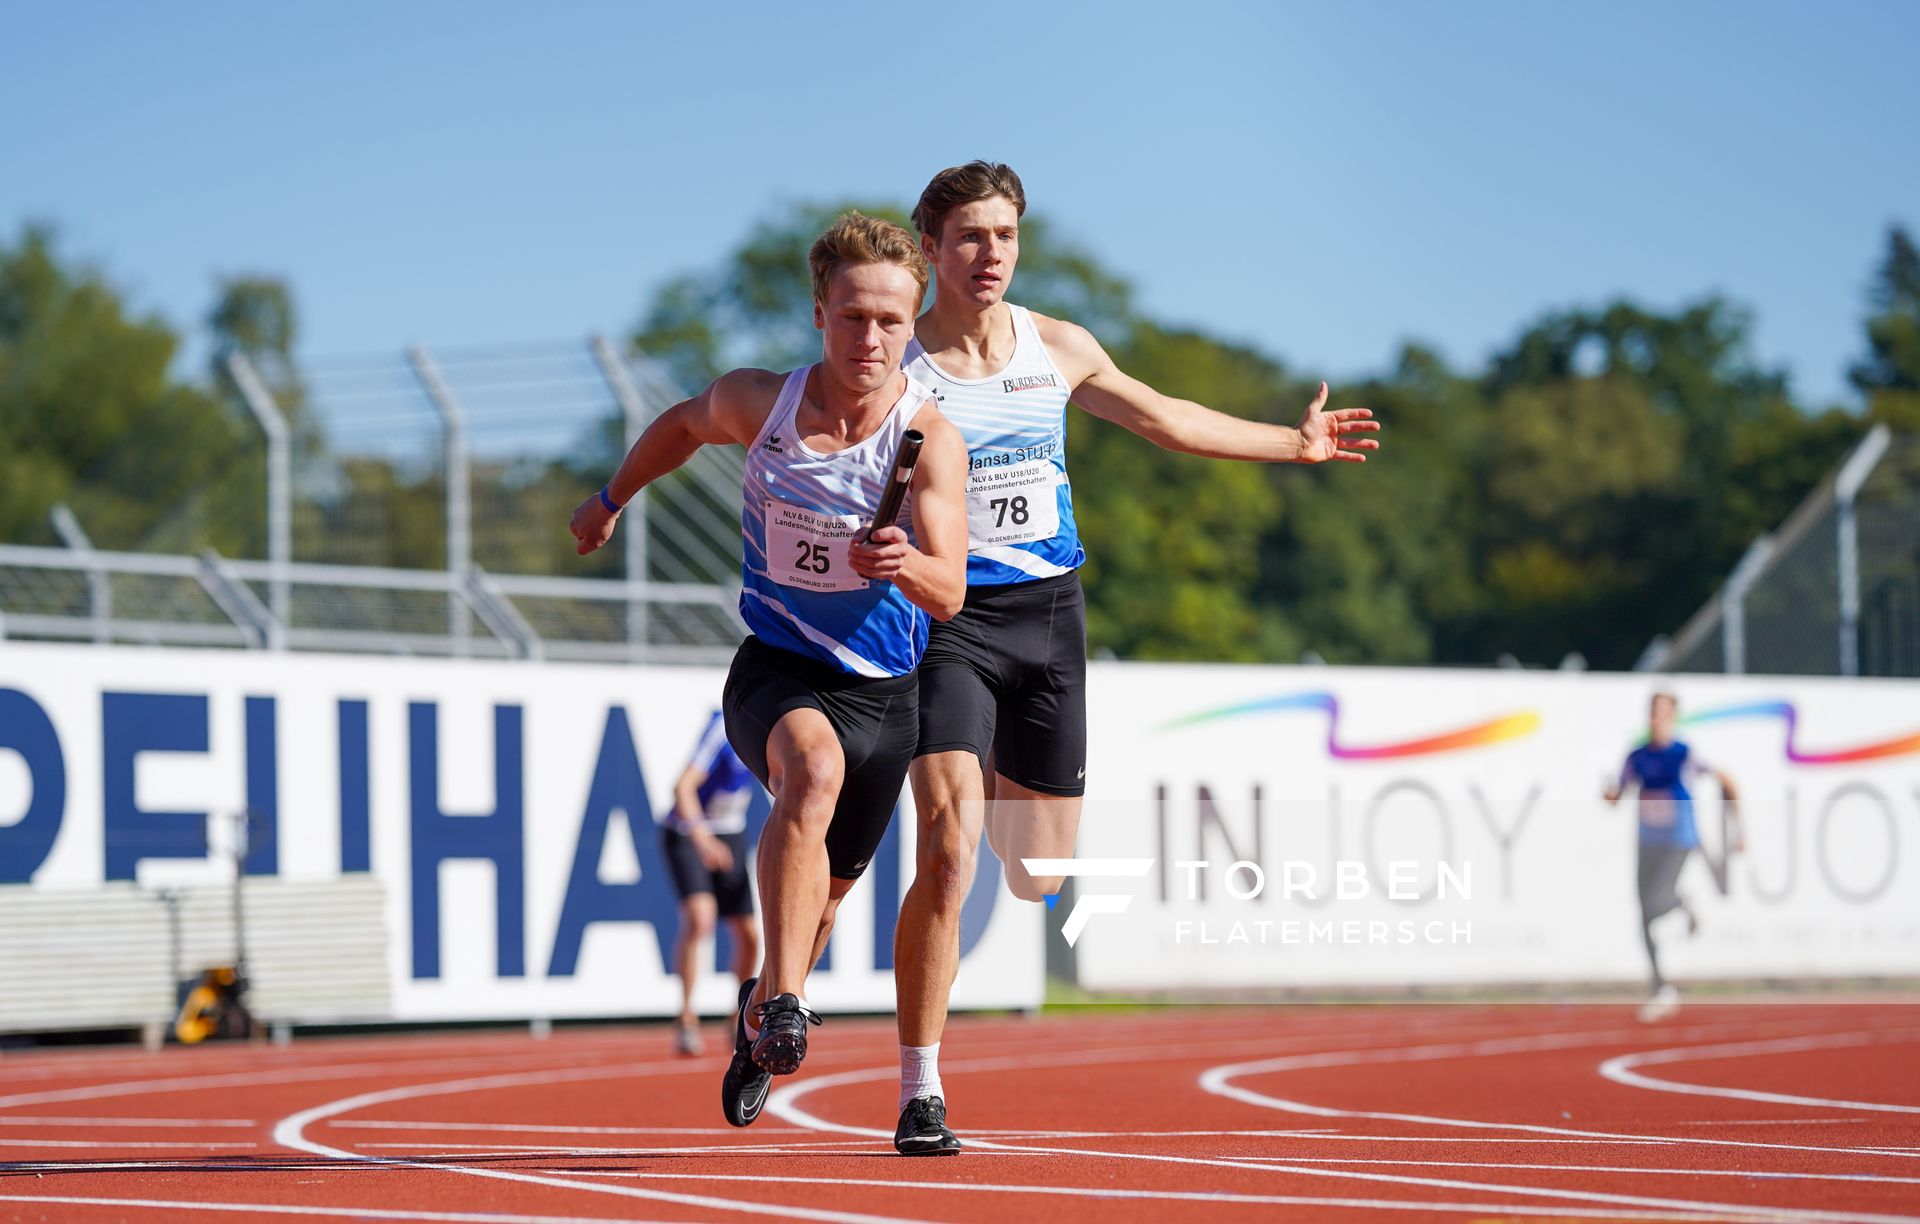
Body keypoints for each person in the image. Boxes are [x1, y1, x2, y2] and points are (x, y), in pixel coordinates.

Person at [890, 161, 1382, 1156]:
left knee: (1034, 875)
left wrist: (1293, 445)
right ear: (932, 249)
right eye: (971, 237)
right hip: (947, 619)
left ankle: (978, 762)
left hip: (1049, 620)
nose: (990, 254)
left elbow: (1168, 421)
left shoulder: (1056, 347)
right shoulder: (896, 362)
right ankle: (920, 1088)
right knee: (947, 847)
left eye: (1005, 235)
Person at [570, 212, 967, 1128]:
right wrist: (609, 499)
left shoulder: (929, 439)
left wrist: (903, 562)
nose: (871, 339)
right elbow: (680, 425)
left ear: (914, 324)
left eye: (892, 323)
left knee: (818, 908)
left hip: (885, 698)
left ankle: (761, 1011)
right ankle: (787, 1003)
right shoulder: (765, 404)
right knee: (809, 771)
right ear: (819, 312)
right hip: (778, 669)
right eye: (853, 317)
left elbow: (949, 594)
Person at [1604, 691, 1742, 1023]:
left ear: (1674, 717)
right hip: (1648, 842)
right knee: (1644, 916)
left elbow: (1727, 780)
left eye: (1663, 712)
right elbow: (1616, 794)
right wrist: (1608, 792)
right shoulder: (1636, 756)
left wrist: (1737, 828)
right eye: (1652, 711)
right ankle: (1660, 988)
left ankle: (1683, 904)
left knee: (1657, 901)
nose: (1656, 718)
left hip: (1679, 840)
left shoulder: (1685, 754)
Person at [660, 709, 760, 1056]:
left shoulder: (777, 722)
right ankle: (687, 1017)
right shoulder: (725, 724)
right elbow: (682, 787)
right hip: (689, 831)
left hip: (730, 830)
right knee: (700, 919)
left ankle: (738, 1017)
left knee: (749, 934)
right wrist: (702, 839)